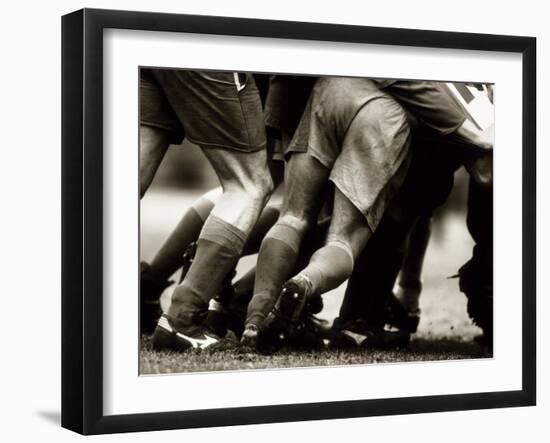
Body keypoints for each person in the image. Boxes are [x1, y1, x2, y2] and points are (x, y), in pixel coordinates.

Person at [241, 76, 412, 349]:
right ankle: (303, 284)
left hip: (330, 90)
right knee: (343, 240)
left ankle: (255, 320)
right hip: (382, 111)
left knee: (292, 217)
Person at [139, 69, 274, 351]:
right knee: (249, 184)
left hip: (154, 42)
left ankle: (86, 297)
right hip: (209, 52)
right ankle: (182, 320)